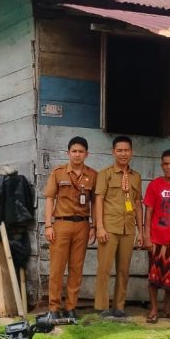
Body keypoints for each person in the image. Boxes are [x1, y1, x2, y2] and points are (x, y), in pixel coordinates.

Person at [43, 136, 98, 320]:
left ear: (86, 154)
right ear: (68, 153)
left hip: (82, 225)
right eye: (74, 151)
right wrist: (48, 225)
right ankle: (53, 308)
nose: (77, 154)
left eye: (81, 151)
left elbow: (95, 202)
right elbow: (49, 199)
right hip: (61, 224)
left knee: (76, 268)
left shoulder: (93, 175)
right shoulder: (58, 173)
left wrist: (94, 226)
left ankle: (71, 307)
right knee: (57, 268)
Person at [94, 136, 143, 319]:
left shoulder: (136, 177)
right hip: (109, 227)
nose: (123, 154)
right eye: (119, 150)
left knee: (124, 269)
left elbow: (137, 204)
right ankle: (102, 307)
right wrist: (99, 226)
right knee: (104, 268)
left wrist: (141, 231)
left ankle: (119, 306)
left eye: (126, 150)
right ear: (113, 152)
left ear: (132, 152)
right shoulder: (105, 174)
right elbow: (98, 200)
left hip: (128, 229)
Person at [141, 149, 170, 324]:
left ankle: (168, 308)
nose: (169, 167)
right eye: (166, 164)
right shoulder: (154, 185)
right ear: (162, 165)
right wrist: (146, 236)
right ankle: (154, 309)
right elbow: (148, 212)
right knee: (154, 277)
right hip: (156, 239)